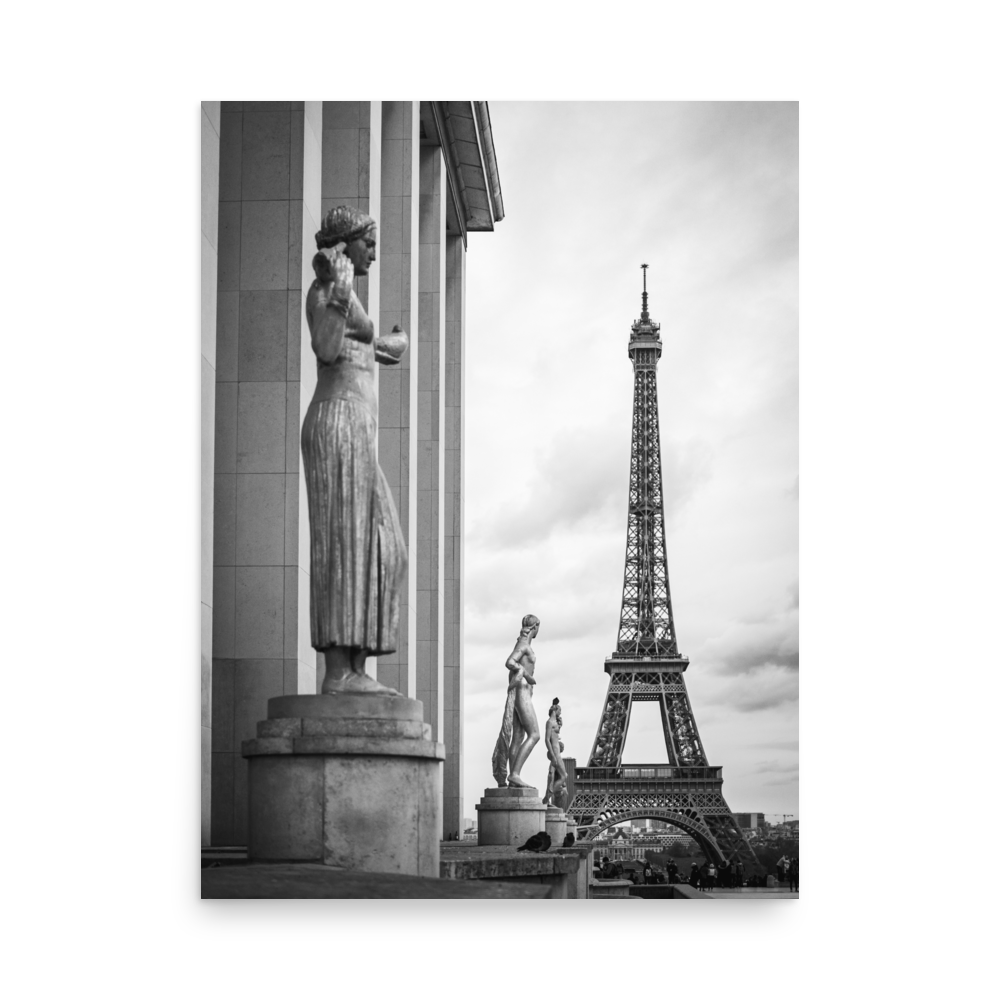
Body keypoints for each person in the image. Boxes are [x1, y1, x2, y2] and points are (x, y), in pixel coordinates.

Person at [303, 206, 408, 694]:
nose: (375, 253)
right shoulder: (326, 288)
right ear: (347, 243)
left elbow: (363, 345)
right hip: (338, 422)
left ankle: (357, 667)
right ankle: (339, 674)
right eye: (370, 242)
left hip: (357, 429)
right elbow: (326, 347)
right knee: (345, 546)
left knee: (388, 549)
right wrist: (343, 292)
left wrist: (393, 344)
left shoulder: (346, 291)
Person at [492, 615, 542, 787]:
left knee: (518, 737)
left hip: (522, 692)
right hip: (522, 692)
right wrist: (526, 674)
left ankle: (514, 779)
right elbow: (510, 662)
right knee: (535, 735)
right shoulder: (524, 645)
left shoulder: (523, 644)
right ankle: (514, 774)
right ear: (535, 627)